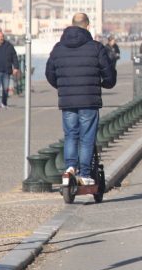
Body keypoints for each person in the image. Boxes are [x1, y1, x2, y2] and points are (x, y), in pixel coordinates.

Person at [45, 13, 117, 186]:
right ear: (88, 26)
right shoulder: (96, 47)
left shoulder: (58, 48)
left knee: (71, 134)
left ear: (71, 24)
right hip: (89, 99)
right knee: (86, 137)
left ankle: (70, 168)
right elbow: (108, 73)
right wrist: (105, 83)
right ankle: (84, 174)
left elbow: (49, 73)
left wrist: (63, 87)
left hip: (68, 101)